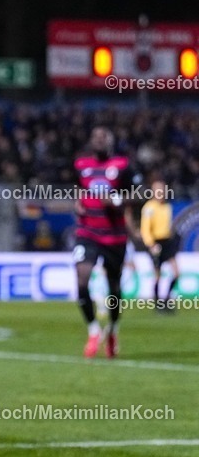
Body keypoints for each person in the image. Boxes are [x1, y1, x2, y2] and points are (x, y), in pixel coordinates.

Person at [72, 127, 140, 358]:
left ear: (111, 141)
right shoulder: (81, 165)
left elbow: (139, 194)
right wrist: (78, 202)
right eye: (95, 137)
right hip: (87, 232)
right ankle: (93, 331)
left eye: (103, 137)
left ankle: (112, 329)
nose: (98, 140)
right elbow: (78, 189)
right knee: (81, 279)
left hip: (114, 235)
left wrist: (116, 199)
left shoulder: (123, 165)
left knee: (114, 289)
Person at [140, 177, 179, 312]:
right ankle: (158, 303)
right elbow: (145, 229)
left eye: (162, 189)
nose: (160, 192)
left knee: (176, 272)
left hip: (167, 241)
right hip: (155, 243)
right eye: (157, 189)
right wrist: (151, 245)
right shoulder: (149, 207)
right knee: (158, 274)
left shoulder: (167, 206)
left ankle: (167, 299)